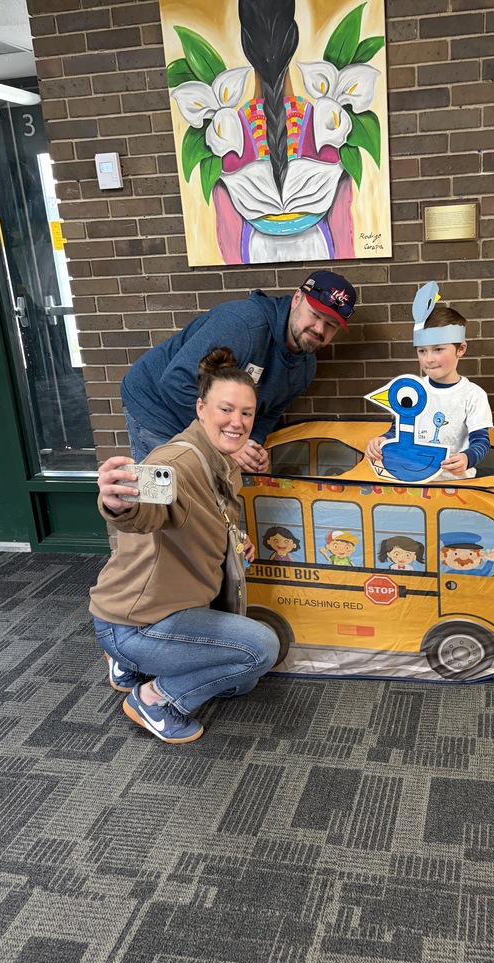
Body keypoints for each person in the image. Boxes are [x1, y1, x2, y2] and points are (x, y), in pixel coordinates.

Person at [89, 348, 280, 744]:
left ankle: (127, 666)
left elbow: (204, 522)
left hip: (162, 611)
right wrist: (116, 503)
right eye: (227, 409)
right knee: (260, 649)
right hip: (138, 623)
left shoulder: (222, 461)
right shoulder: (176, 462)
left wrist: (236, 541)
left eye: (246, 413)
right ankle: (155, 698)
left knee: (240, 683)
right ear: (201, 408)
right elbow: (144, 516)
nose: (238, 422)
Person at [120, 270, 356, 472]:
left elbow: (269, 414)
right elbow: (176, 382)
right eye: (314, 314)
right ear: (297, 299)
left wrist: (252, 444)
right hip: (156, 406)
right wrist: (228, 443)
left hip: (208, 421)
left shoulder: (306, 368)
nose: (318, 328)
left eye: (331, 325)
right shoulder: (244, 324)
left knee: (204, 497)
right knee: (168, 503)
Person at [365, 299, 493, 482]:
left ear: (461, 349)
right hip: (411, 480)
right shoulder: (412, 390)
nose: (429, 359)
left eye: (438, 349)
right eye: (422, 351)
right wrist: (382, 440)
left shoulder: (473, 395)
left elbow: (481, 441)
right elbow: (399, 430)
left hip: (456, 484)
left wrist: (467, 458)